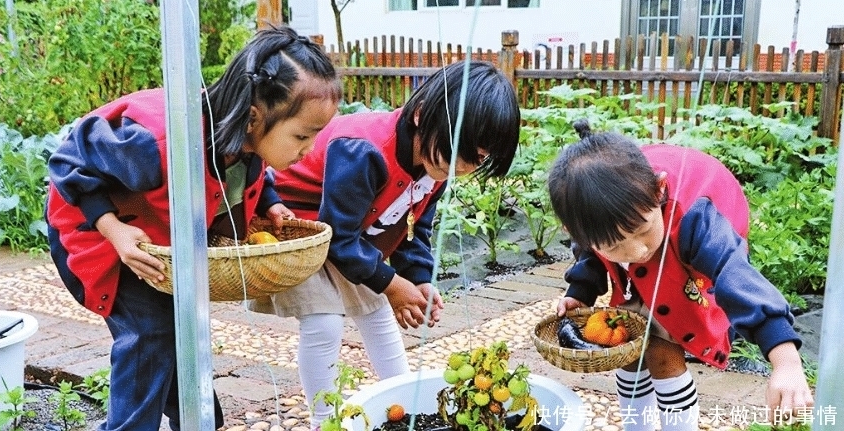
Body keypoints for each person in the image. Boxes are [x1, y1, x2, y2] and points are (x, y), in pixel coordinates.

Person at [45, 26, 341, 431]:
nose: (308, 149)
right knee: (151, 334)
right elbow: (68, 161)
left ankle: (198, 419)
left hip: (157, 236)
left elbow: (254, 173)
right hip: (97, 232)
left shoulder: (243, 138)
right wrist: (112, 230)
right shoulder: (158, 144)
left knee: (181, 327)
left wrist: (270, 203)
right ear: (254, 116)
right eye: (302, 136)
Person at [249, 60, 521, 428]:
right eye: (461, 152)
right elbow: (338, 237)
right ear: (424, 116)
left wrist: (419, 279)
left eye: (479, 159)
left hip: (346, 236)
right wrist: (393, 285)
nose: (464, 167)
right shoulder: (364, 151)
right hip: (295, 228)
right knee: (324, 322)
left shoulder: (436, 164)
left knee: (376, 312)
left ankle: (405, 405)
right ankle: (324, 420)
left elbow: (415, 229)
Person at [548, 120, 814, 430]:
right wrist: (578, 294)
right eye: (615, 246)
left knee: (662, 352)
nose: (636, 252)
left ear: (659, 190)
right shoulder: (596, 229)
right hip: (638, 267)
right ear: (574, 232)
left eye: (642, 231)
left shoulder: (697, 222)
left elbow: (736, 275)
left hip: (684, 267)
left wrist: (785, 359)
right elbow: (590, 255)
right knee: (628, 352)